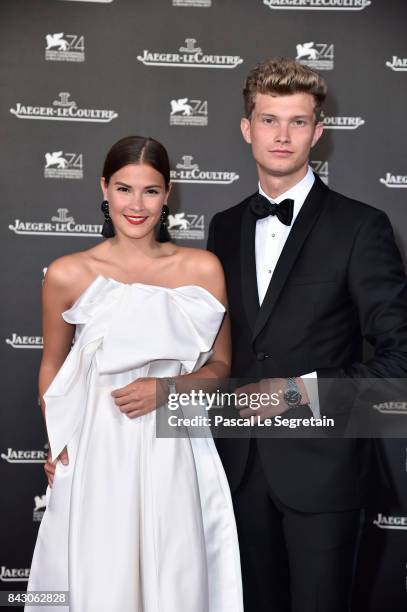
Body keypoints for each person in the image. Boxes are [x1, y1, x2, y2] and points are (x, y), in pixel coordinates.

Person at [207, 58, 407, 612]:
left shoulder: (361, 226)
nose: (282, 135)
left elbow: (400, 363)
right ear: (247, 128)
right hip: (237, 471)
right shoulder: (223, 226)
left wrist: (295, 392)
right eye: (269, 120)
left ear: (319, 132)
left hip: (325, 473)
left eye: (298, 122)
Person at [26, 135, 243, 612]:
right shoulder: (68, 273)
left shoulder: (202, 268)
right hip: (96, 445)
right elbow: (51, 365)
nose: (136, 204)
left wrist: (167, 389)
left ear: (168, 193)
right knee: (99, 574)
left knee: (176, 572)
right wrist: (57, 439)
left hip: (175, 442)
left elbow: (222, 367)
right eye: (124, 189)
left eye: (150, 190)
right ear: (104, 188)